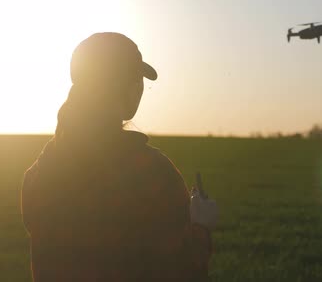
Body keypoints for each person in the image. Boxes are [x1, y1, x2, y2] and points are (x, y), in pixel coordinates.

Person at [21, 32, 219, 281]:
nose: (141, 88)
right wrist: (201, 226)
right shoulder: (153, 173)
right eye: (137, 79)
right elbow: (182, 271)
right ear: (130, 89)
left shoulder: (40, 172)